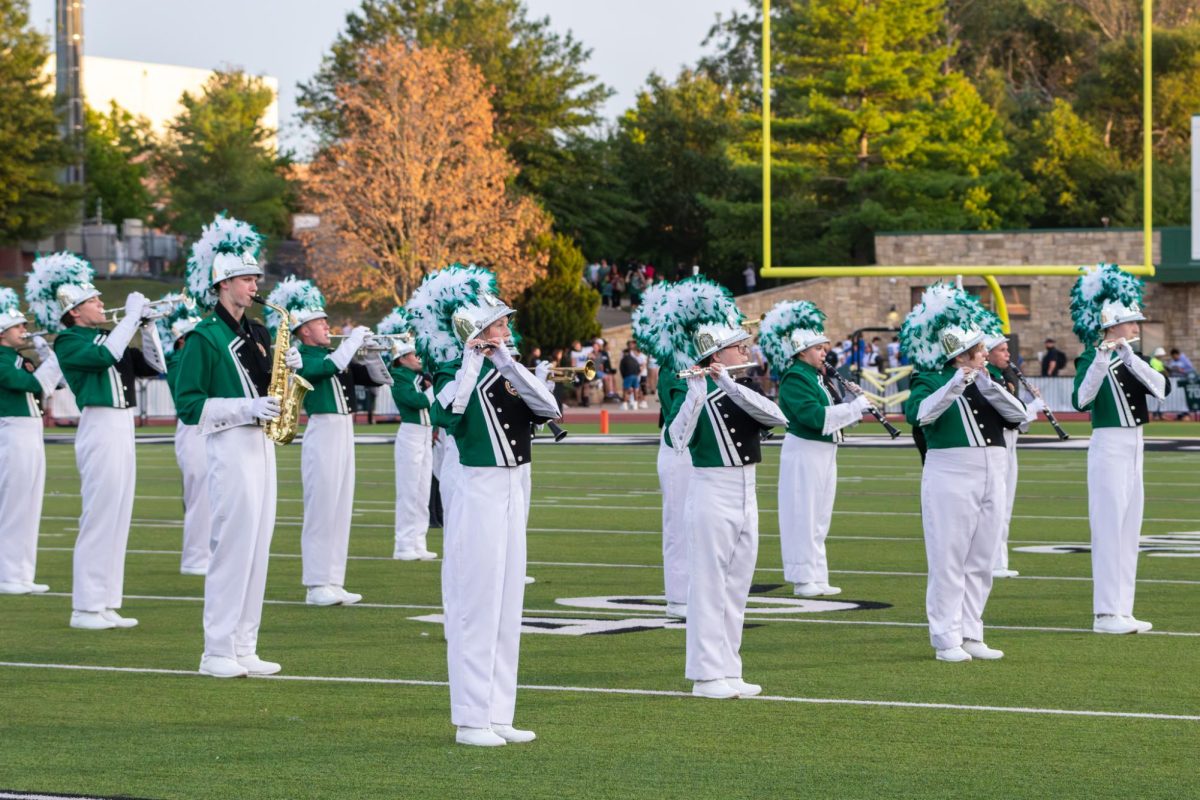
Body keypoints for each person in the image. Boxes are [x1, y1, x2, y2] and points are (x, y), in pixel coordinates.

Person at [408, 264, 558, 747]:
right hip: (477, 486)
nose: (508, 331)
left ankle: (499, 711)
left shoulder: (509, 369)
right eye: (499, 324)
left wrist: (509, 363)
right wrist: (473, 359)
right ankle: (472, 719)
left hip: (514, 487)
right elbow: (448, 413)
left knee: (508, 600)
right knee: (476, 601)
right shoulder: (453, 371)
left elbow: (549, 410)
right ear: (477, 330)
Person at [175, 214, 303, 678]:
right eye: (248, 279)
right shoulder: (204, 338)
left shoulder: (259, 333)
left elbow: (268, 390)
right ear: (225, 283)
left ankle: (245, 644)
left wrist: (289, 367)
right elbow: (188, 405)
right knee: (232, 545)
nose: (255, 286)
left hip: (261, 446)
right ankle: (216, 650)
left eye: (255, 279)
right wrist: (245, 407)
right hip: (228, 444)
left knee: (259, 546)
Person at [28, 252, 166, 630]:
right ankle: (85, 607)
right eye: (95, 301)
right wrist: (131, 319)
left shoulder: (111, 336)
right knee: (100, 514)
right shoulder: (69, 340)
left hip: (124, 425)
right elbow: (105, 356)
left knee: (119, 513)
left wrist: (149, 327)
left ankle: (106, 602)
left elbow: (157, 367)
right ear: (75, 311)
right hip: (99, 425)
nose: (103, 304)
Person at [666, 276, 787, 699]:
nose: (747, 351)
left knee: (737, 585)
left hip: (746, 488)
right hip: (711, 490)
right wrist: (698, 392)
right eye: (739, 347)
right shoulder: (691, 391)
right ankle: (704, 674)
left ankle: (729, 668)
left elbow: (776, 417)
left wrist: (729, 383)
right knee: (709, 585)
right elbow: (675, 440)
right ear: (717, 353)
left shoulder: (743, 389)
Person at [902, 283, 1027, 663]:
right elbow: (920, 415)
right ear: (962, 354)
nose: (986, 354)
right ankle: (946, 637)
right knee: (949, 558)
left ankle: (972, 631)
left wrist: (986, 384)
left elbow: (1019, 416)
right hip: (951, 471)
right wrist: (958, 383)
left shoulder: (987, 382)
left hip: (994, 469)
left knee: (982, 558)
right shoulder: (930, 379)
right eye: (979, 350)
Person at [267, 278, 390, 606]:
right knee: (322, 508)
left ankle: (334, 579)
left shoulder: (333, 353)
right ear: (304, 330)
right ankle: (316, 583)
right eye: (320, 323)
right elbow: (329, 367)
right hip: (321, 431)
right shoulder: (299, 355)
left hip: (345, 432)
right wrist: (351, 342)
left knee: (341, 507)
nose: (326, 327)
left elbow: (380, 378)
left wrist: (374, 351)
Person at [1069, 264, 1168, 635]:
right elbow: (1081, 399)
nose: (1136, 328)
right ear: (1112, 325)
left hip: (1135, 443)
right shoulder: (1090, 359)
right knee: (1109, 528)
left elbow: (1160, 388)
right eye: (1130, 323)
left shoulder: (1132, 359)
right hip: (1109, 442)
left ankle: (1122, 609)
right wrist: (1102, 357)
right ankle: (1105, 613)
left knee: (1130, 530)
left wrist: (1128, 356)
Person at [762, 300, 873, 599]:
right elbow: (813, 417)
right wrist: (854, 408)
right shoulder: (795, 377)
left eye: (824, 348)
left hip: (824, 450)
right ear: (801, 352)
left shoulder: (815, 376)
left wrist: (851, 405)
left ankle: (817, 574)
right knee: (803, 514)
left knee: (820, 516)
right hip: (805, 450)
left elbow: (828, 411)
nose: (825, 353)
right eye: (818, 349)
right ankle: (801, 578)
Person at [633, 283, 690, 620]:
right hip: (679, 451)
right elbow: (680, 421)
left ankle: (691, 593)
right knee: (679, 525)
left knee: (694, 524)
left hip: (690, 451)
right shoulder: (675, 367)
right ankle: (679, 597)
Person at [0, 288, 62, 595]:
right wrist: (54, 356)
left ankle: (23, 573)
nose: (25, 330)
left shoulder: (15, 357)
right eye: (18, 327)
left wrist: (47, 355)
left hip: (29, 431)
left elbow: (55, 383)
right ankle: (8, 575)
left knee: (30, 503)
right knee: (14, 504)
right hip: (12, 431)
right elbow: (35, 384)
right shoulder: (2, 360)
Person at [982, 324, 1044, 579]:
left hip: (1010, 443)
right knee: (996, 505)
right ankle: (994, 561)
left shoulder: (1006, 377)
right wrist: (1033, 408)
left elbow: (1018, 420)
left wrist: (1029, 410)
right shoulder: (989, 377)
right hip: (998, 443)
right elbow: (1007, 416)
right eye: (1003, 350)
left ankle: (1000, 560)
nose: (1008, 354)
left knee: (1005, 505)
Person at [378, 306, 437, 561]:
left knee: (423, 489)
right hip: (411, 433)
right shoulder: (399, 377)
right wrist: (432, 389)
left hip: (425, 433)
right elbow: (417, 401)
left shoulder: (416, 376)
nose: (418, 358)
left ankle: (418, 541)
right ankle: (403, 544)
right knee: (409, 490)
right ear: (402, 358)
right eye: (413, 355)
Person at [158, 298, 209, 576]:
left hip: (211, 425)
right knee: (199, 492)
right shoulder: (178, 360)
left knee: (213, 491)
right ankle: (195, 557)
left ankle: (208, 552)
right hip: (192, 428)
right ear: (180, 341)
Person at [619, 342, 641, 410]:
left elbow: (621, 369)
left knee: (625, 390)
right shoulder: (634, 359)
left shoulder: (623, 359)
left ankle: (625, 405)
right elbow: (638, 368)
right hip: (635, 376)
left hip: (628, 375)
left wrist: (624, 377)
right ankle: (635, 405)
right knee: (635, 390)